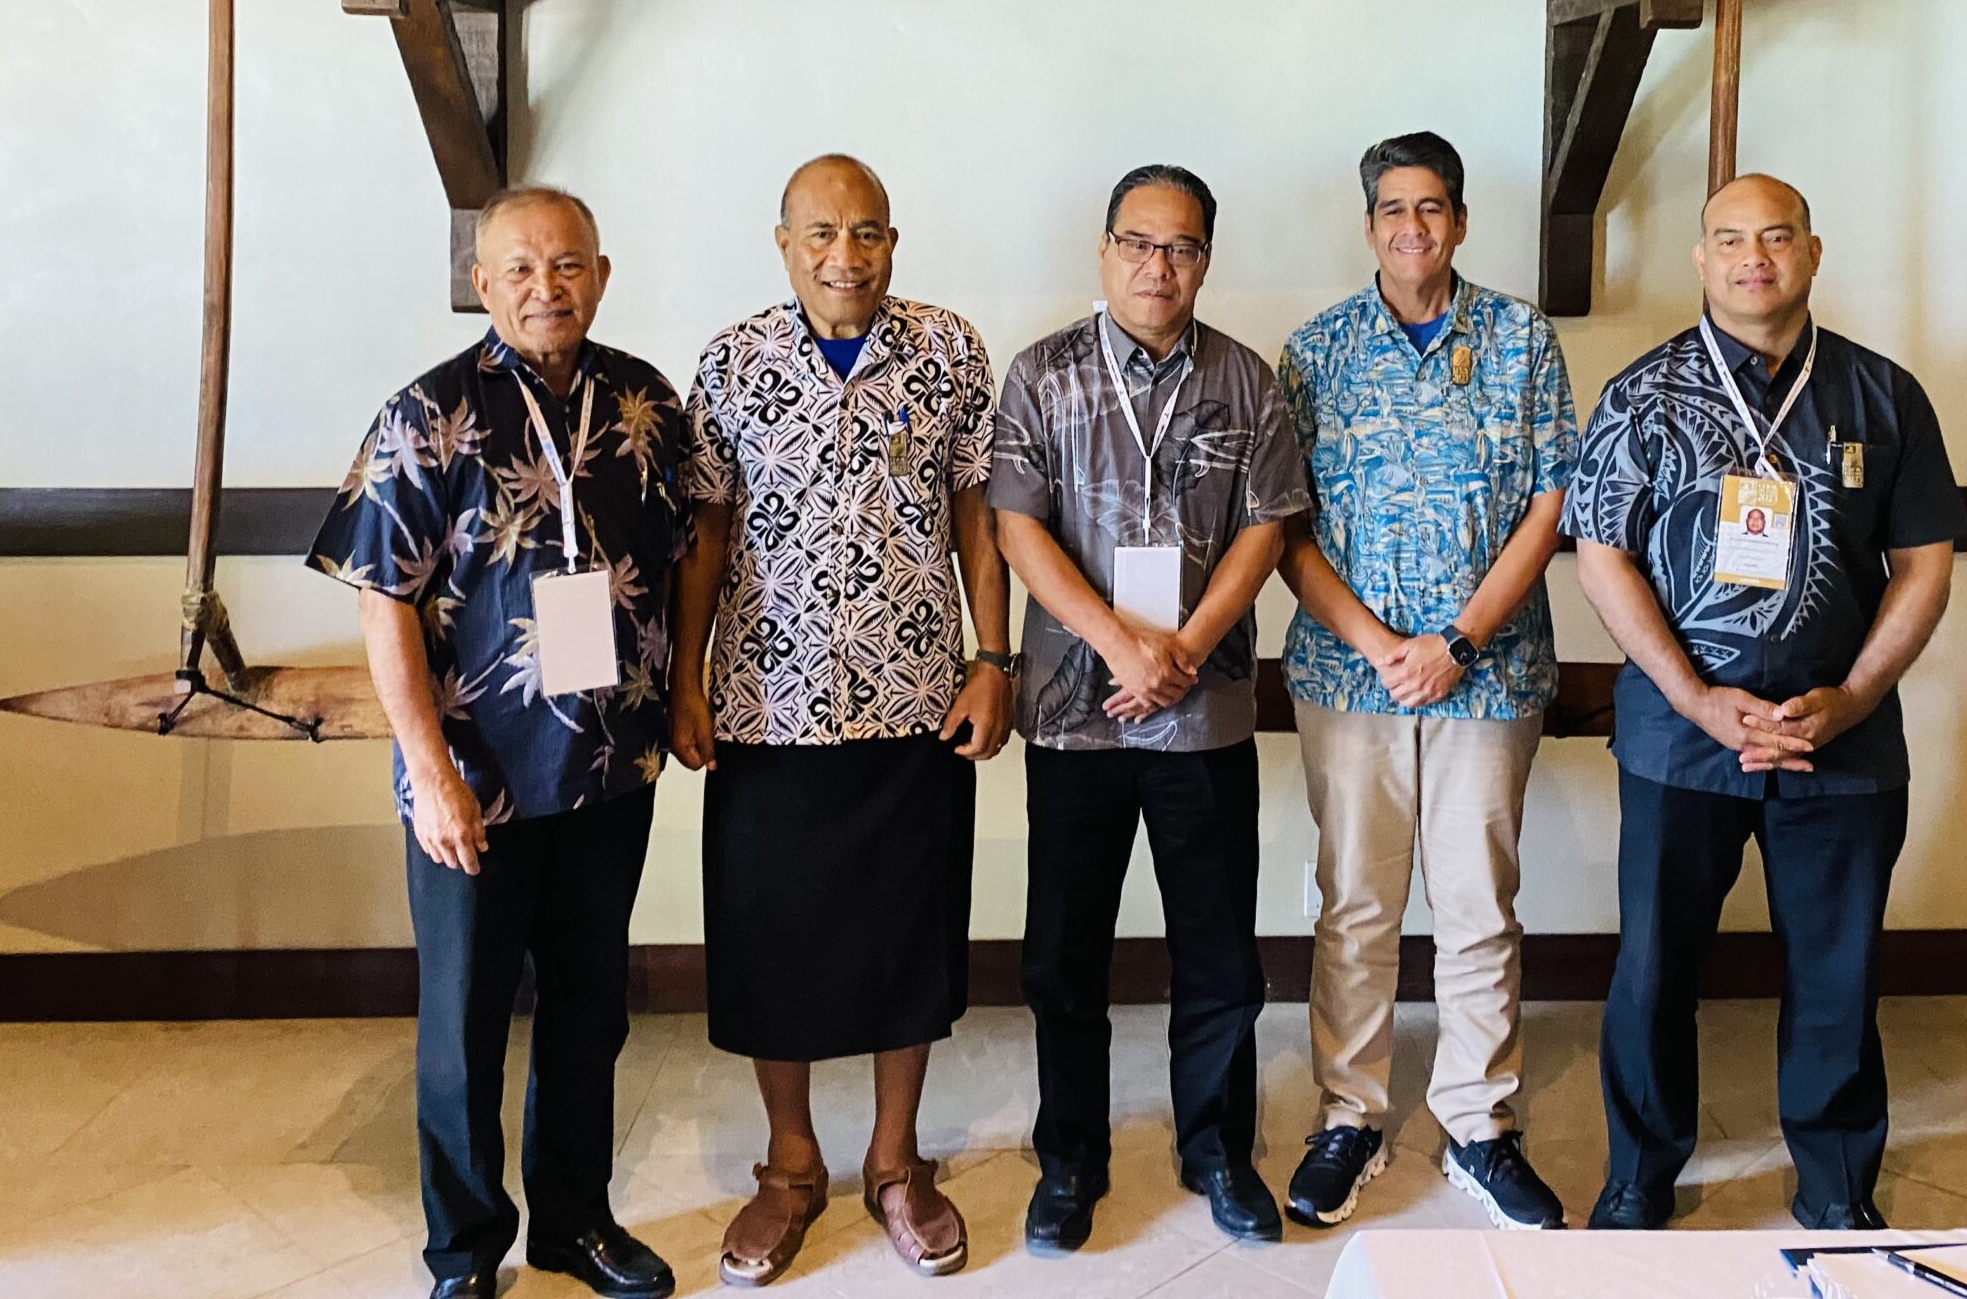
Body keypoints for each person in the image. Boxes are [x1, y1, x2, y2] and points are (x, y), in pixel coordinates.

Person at [1566, 174, 1964, 1232]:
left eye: (1776, 236)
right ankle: (1640, 1174)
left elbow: (1923, 563)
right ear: (1699, 260)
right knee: (1653, 969)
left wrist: (1854, 696)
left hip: (1841, 740)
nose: (1754, 256)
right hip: (1679, 738)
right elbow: (1600, 556)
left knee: (1837, 972)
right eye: (1729, 239)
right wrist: (1695, 699)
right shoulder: (1640, 396)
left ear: (1813, 252)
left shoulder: (1884, 395)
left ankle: (1836, 1181)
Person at [311, 186, 687, 1299]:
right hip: (474, 780)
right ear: (481, 285)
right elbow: (383, 598)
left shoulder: (645, 402)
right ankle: (464, 1251)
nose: (545, 288)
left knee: (590, 1012)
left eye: (566, 266)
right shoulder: (425, 414)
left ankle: (574, 1223)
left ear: (602, 275)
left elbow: (693, 543)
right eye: (519, 270)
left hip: (611, 769)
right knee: (464, 1024)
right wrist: (427, 772)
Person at [669, 154, 1011, 1286]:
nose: (844, 256)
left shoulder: (950, 349)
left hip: (916, 698)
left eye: (865, 233)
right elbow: (707, 533)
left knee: (907, 934)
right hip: (768, 700)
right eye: (820, 234)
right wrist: (686, 676)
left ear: (893, 243)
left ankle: (896, 1160)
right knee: (774, 939)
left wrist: (991, 658)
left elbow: (978, 514)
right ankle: (788, 1164)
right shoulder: (730, 361)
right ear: (782, 244)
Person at [990, 163, 1310, 1252]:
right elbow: (1017, 527)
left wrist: (1184, 646)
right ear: (1103, 247)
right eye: (1137, 242)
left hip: (1202, 712)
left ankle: (1217, 1148)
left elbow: (1268, 526)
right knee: (1063, 953)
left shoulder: (1245, 382)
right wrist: (1121, 640)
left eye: (1178, 248)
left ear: (1205, 260)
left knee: (1218, 952)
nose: (1154, 265)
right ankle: (1069, 1158)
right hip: (1075, 713)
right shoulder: (1041, 375)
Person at [1274, 132, 1578, 1231]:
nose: (1414, 227)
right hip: (1347, 680)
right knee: (1355, 904)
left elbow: (1550, 504)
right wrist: (1376, 643)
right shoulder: (1312, 353)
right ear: (1368, 227)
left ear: (1458, 220)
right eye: (1393, 209)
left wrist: (1453, 640)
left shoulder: (1519, 339)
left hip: (1487, 678)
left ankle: (1478, 1125)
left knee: (1476, 905)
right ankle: (1348, 1116)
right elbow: (1284, 525)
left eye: (1433, 207)